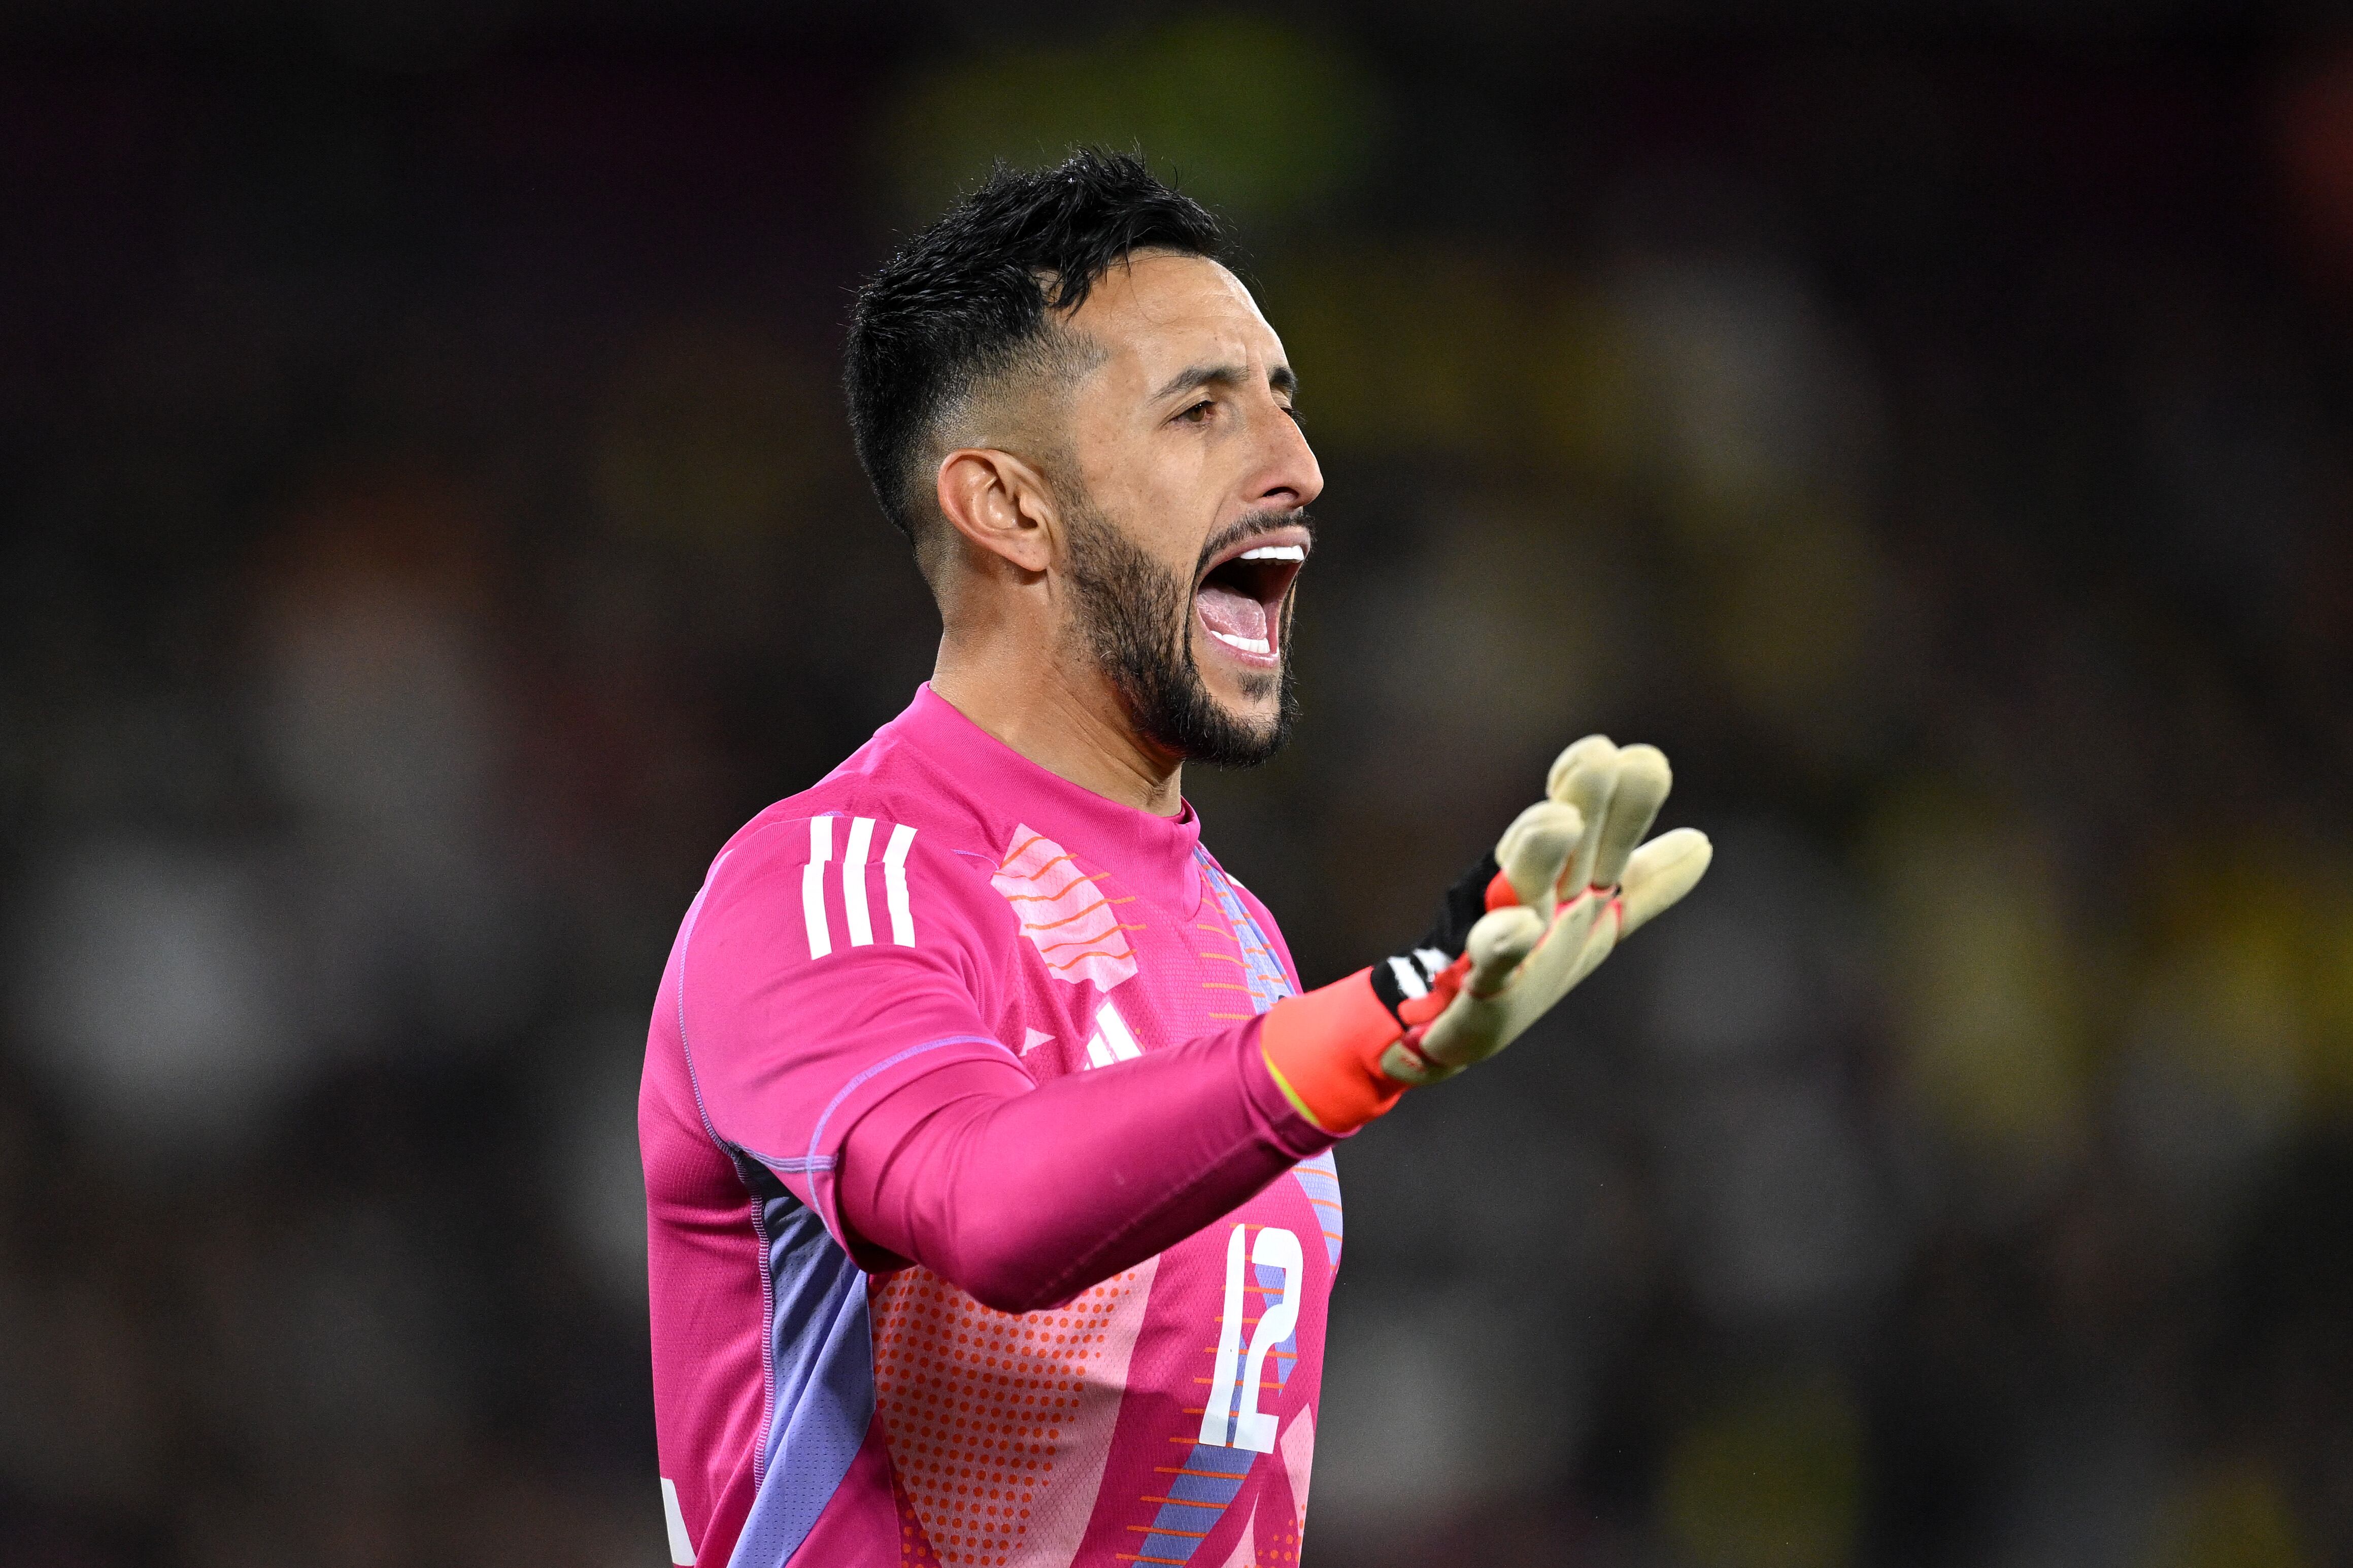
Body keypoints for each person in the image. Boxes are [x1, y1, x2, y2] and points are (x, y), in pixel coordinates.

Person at [638, 149, 1712, 1568]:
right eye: (1202, 411)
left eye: (1284, 401)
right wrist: (1370, 1031)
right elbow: (987, 1203)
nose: (1300, 469)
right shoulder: (829, 878)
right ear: (1007, 508)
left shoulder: (1239, 933)